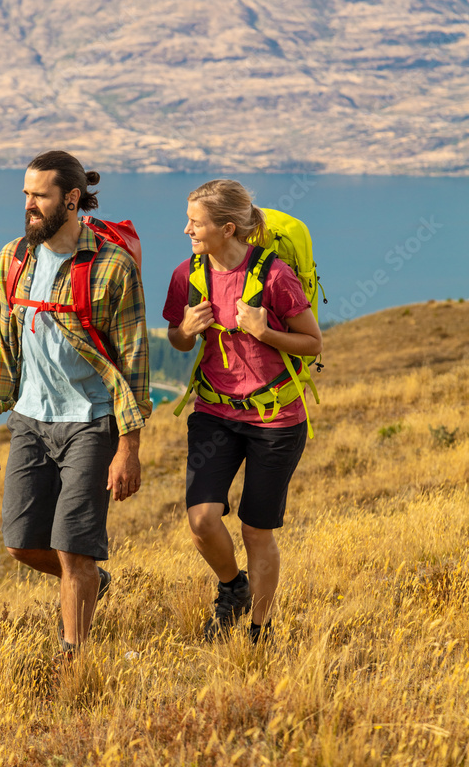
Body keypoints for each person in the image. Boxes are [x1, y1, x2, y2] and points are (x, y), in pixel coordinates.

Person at [0, 150, 151, 656]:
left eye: (40, 196)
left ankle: (73, 659)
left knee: (74, 549)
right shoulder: (14, 257)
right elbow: (0, 343)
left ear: (71, 199)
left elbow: (135, 361)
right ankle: (93, 579)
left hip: (91, 423)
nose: (29, 205)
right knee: (21, 542)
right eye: (26, 194)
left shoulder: (111, 266)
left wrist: (129, 447)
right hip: (29, 419)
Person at [163, 179, 322, 642]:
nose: (187, 229)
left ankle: (258, 630)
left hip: (275, 421)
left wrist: (265, 332)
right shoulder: (186, 274)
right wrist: (186, 330)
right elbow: (177, 337)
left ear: (227, 228)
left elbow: (313, 343)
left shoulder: (275, 276)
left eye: (196, 222)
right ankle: (233, 587)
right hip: (214, 413)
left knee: (256, 532)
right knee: (202, 520)